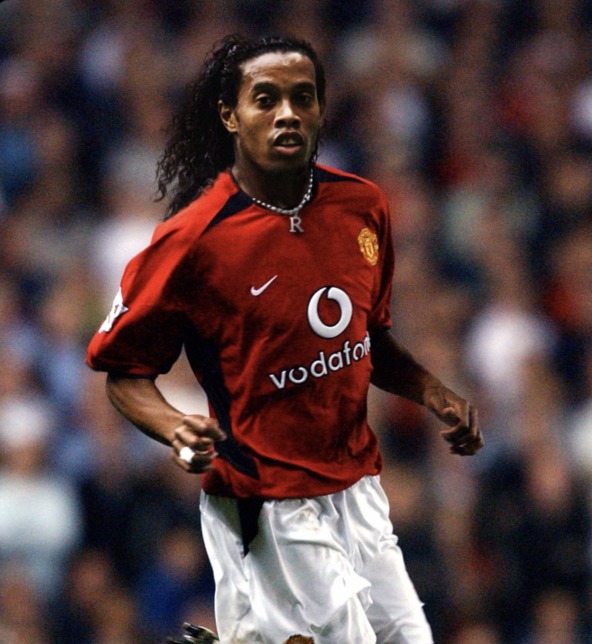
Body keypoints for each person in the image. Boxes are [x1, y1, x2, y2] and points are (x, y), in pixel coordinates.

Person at [86, 33, 483, 644]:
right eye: (266, 99)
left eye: (303, 97)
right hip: (263, 493)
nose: (288, 114)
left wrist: (431, 391)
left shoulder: (363, 206)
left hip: (356, 485)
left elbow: (368, 338)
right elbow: (124, 373)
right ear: (230, 115)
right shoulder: (193, 241)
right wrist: (174, 426)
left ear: (322, 107)